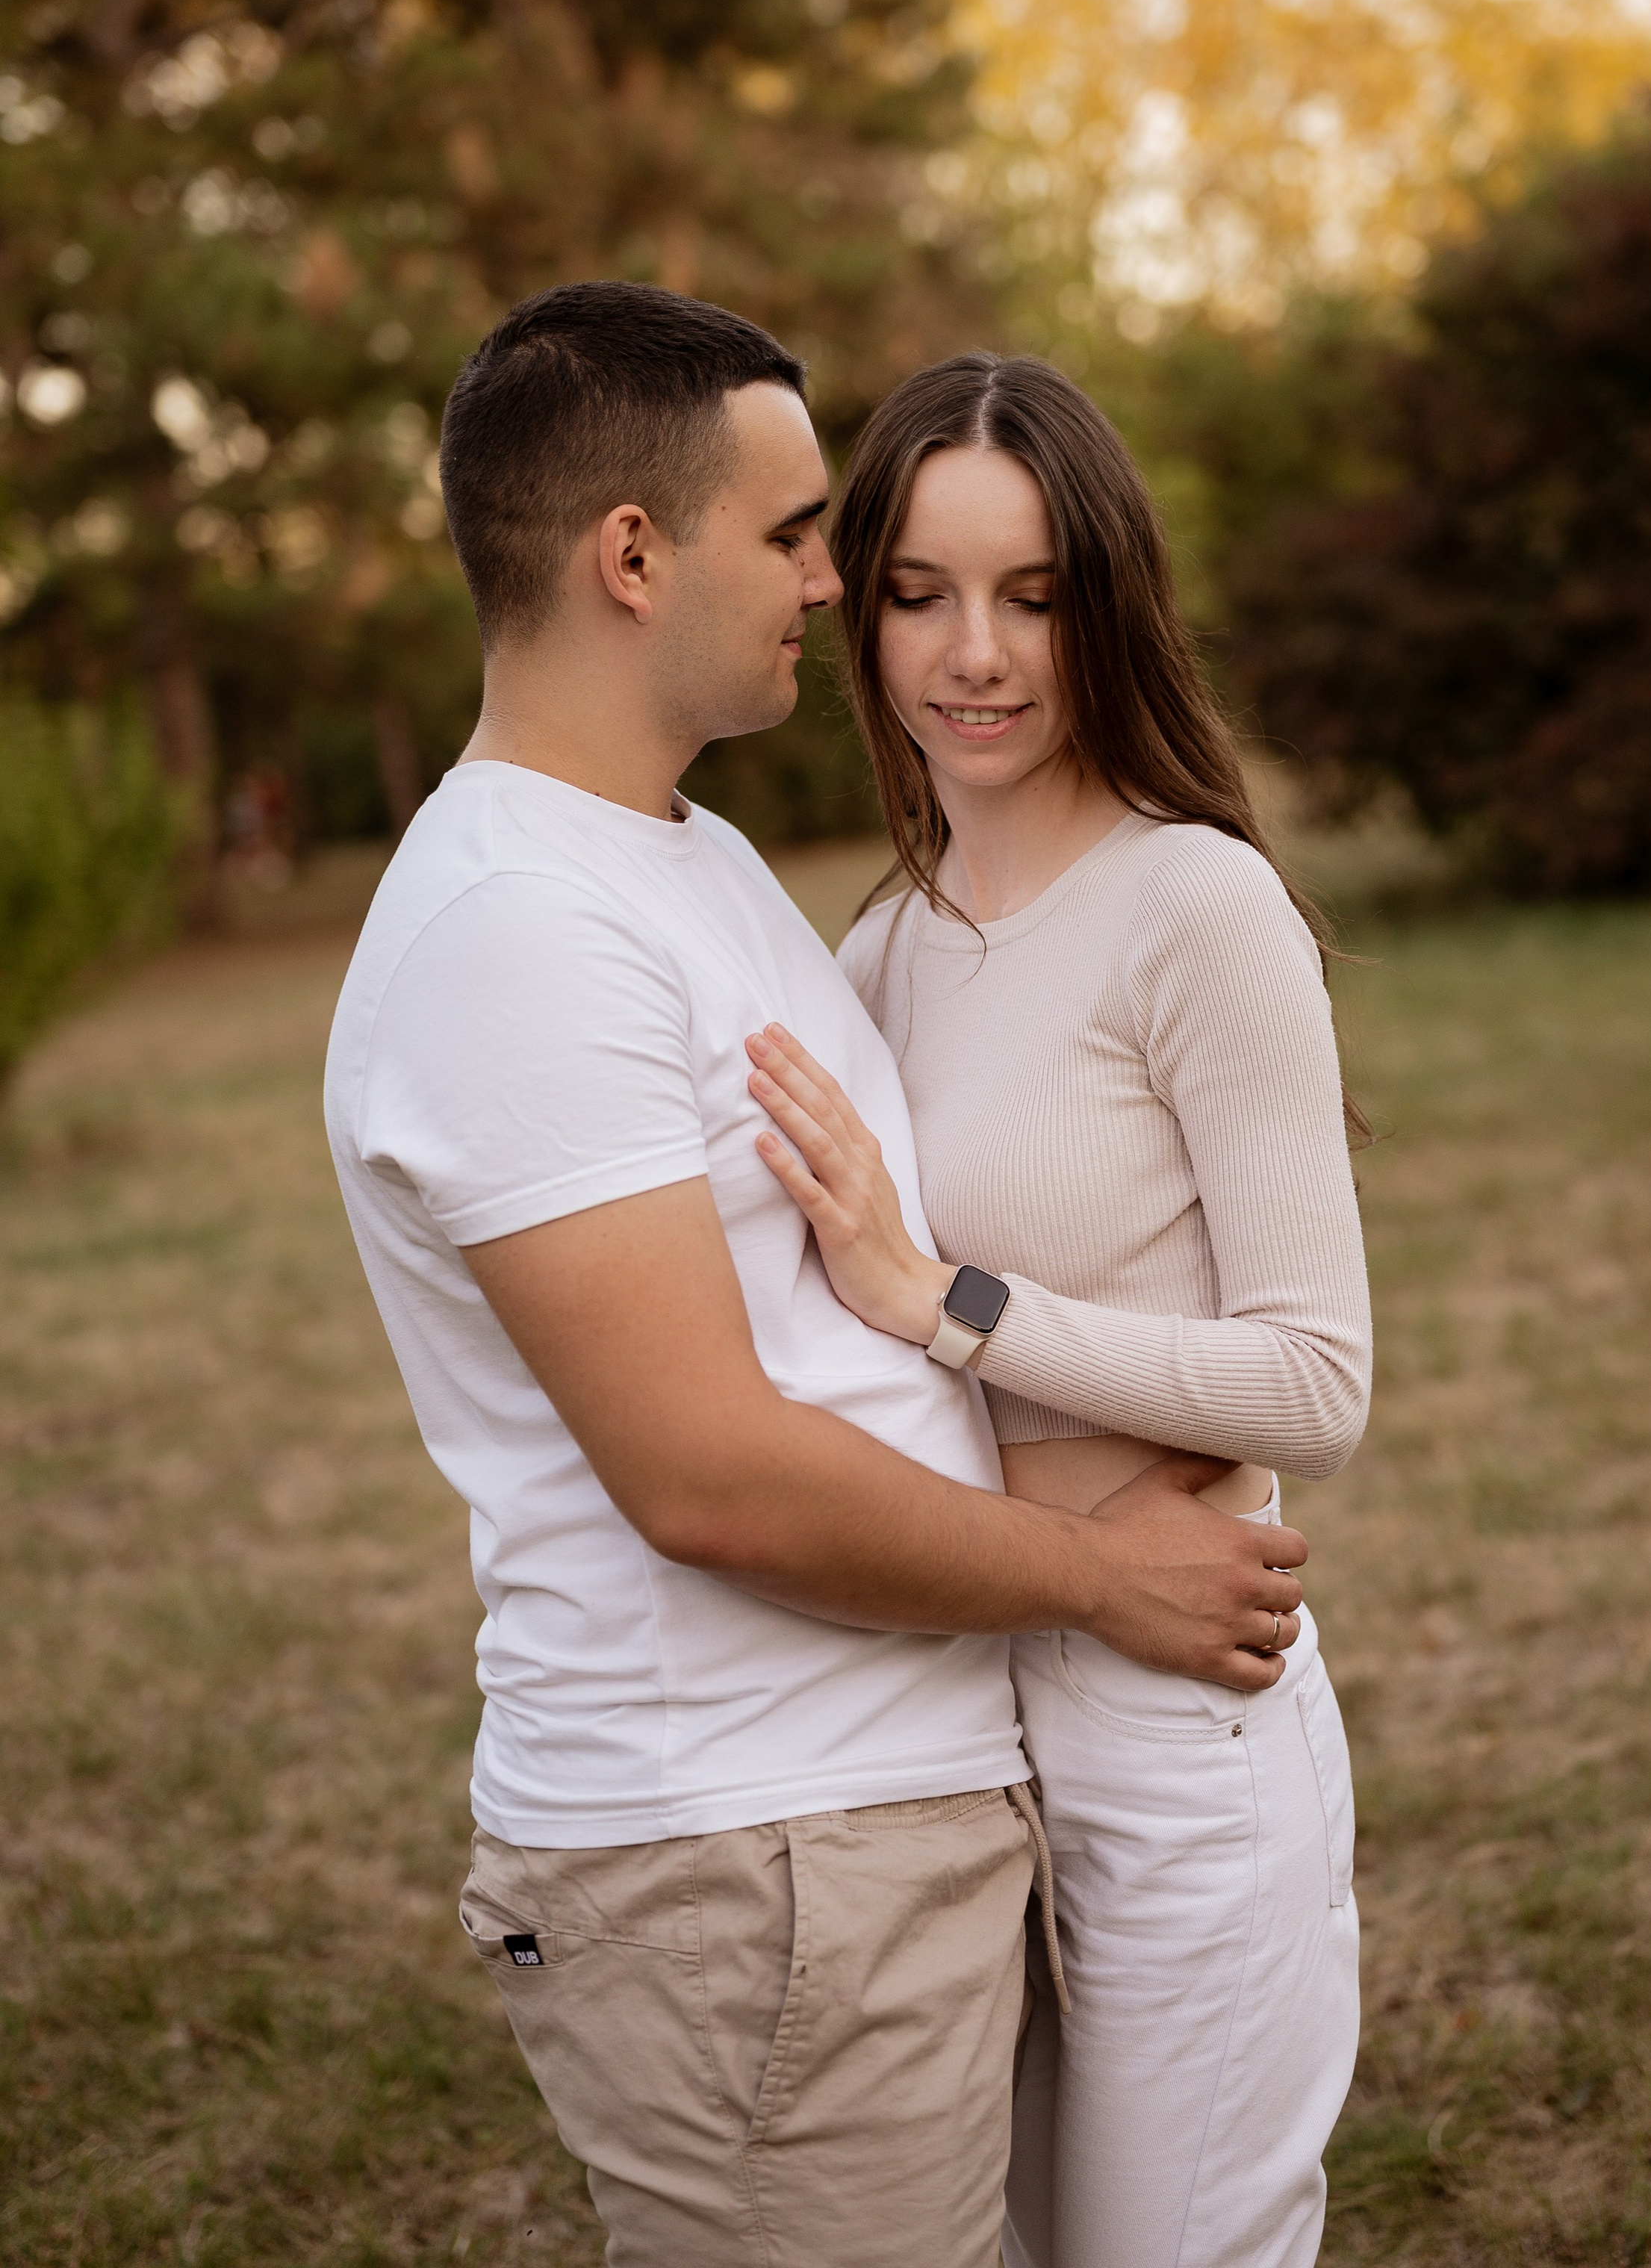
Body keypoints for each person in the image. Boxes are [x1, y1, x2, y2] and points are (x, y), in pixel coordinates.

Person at [323, 285, 1312, 2268]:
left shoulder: (679, 862)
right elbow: (708, 1473)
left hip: (868, 1825)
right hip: (747, 1864)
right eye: (791, 532)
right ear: (629, 554)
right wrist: (1107, 1579)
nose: (832, 579)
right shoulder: (518, 925)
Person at [739, 352, 1371, 2268]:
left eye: (1031, 595)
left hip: (1185, 1708)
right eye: (921, 590)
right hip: (953, 1723)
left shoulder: (1196, 906)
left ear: (1106, 602)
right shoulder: (876, 948)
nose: (976, 654)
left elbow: (1313, 1376)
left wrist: (950, 1306)